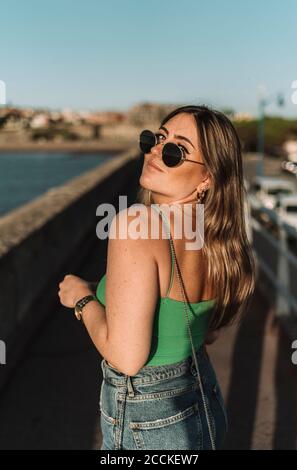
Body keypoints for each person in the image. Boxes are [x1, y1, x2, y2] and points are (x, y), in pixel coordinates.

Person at [58, 104, 256, 450]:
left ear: (207, 176)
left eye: (174, 150)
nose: (154, 151)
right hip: (200, 398)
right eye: (156, 138)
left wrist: (81, 297)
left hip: (149, 419)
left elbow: (127, 357)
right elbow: (201, 330)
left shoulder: (136, 226)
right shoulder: (215, 236)